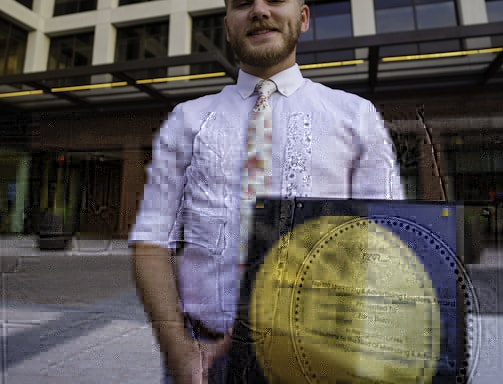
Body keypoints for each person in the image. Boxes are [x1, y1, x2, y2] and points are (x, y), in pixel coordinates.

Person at [129, 0, 404, 383]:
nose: (259, 10)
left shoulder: (356, 116)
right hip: (202, 359)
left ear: (303, 17)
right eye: (243, 3)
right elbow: (150, 239)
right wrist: (178, 350)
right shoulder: (186, 120)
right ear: (228, 27)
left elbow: (387, 241)